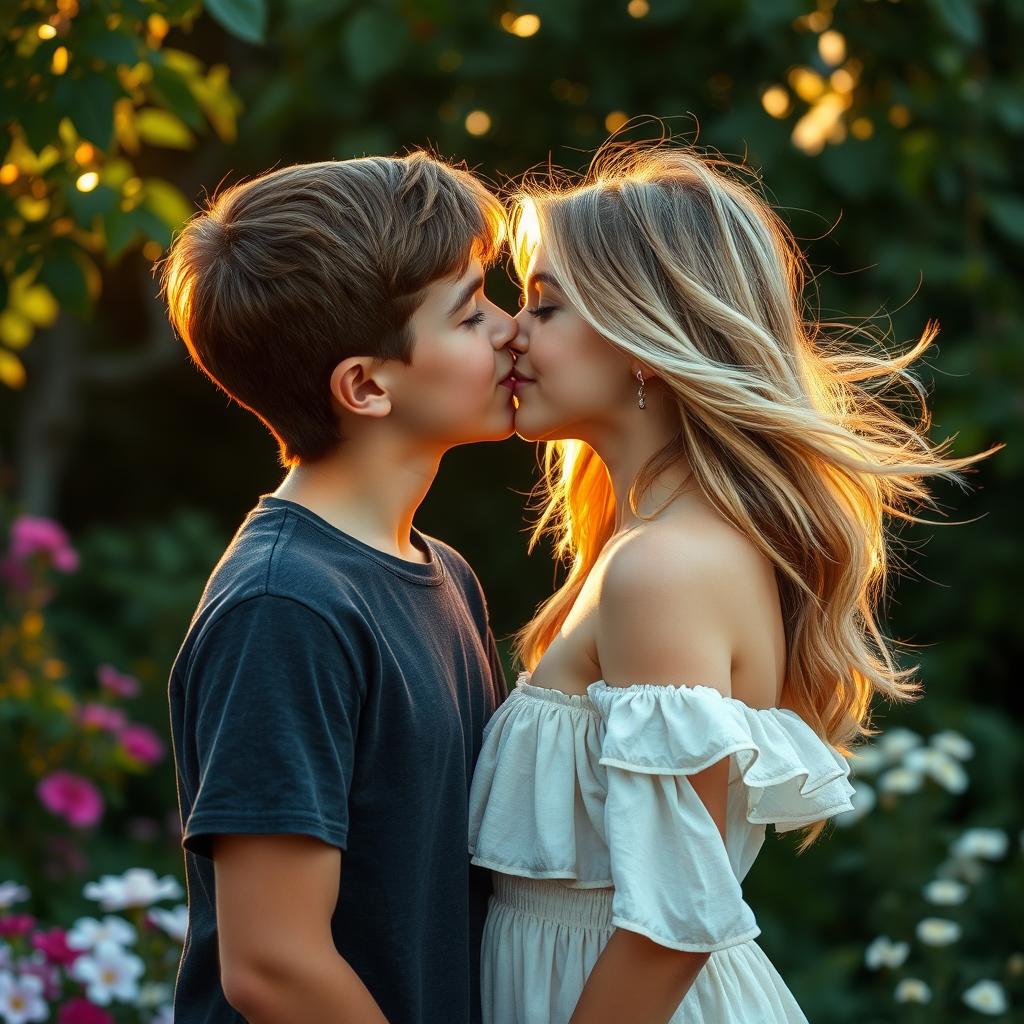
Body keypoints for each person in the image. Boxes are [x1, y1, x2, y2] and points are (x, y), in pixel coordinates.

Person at [467, 137, 1000, 1024]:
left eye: (544, 305)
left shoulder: (664, 568)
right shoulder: (645, 544)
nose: (511, 332)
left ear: (644, 337)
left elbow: (671, 925)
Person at [157, 150, 520, 1024]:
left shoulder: (442, 576)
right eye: (470, 315)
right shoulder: (287, 606)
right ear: (366, 386)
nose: (511, 328)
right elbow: (274, 963)